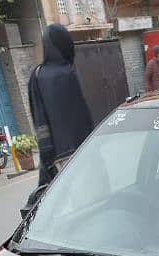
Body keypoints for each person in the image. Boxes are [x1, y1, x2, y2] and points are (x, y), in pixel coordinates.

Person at [28, 24, 93, 188]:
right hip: (85, 151)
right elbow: (84, 118)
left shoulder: (37, 75)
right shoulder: (69, 73)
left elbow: (39, 119)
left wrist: (46, 155)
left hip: (58, 157)